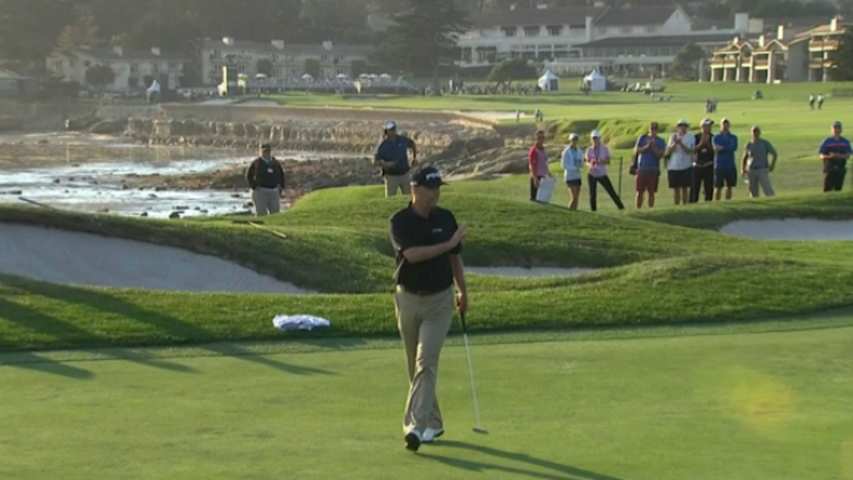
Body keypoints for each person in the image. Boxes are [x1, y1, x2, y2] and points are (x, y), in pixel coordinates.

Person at [389, 166, 467, 452]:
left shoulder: (446, 218)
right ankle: (434, 421)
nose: (436, 193)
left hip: (439, 301)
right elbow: (411, 255)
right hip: (407, 298)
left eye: (438, 188)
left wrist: (463, 291)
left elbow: (455, 260)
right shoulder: (400, 221)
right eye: (431, 188)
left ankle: (415, 427)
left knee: (426, 361)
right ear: (415, 189)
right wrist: (448, 243)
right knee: (415, 366)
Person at [375, 120, 417, 198]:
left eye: (393, 129)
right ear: (386, 131)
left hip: (405, 174)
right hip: (391, 176)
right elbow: (376, 160)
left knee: (409, 198)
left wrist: (414, 159)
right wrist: (385, 164)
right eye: (390, 130)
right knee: (390, 199)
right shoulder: (382, 144)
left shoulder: (402, 140)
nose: (392, 131)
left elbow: (412, 144)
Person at [586, 130, 625, 211]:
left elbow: (608, 161)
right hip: (592, 174)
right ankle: (593, 211)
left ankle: (621, 208)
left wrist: (600, 161)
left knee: (611, 191)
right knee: (592, 194)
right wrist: (590, 164)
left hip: (602, 174)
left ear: (600, 138)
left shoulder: (604, 149)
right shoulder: (589, 150)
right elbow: (586, 161)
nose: (595, 140)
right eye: (593, 138)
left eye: (596, 138)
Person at [245, 143, 285, 216]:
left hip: (274, 191)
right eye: (264, 151)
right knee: (261, 213)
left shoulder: (275, 163)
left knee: (275, 214)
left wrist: (281, 187)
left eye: (268, 151)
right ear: (260, 151)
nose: (266, 153)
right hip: (260, 191)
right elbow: (249, 175)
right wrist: (253, 186)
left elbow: (281, 175)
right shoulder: (256, 162)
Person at [634, 121, 666, 209]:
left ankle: (650, 209)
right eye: (652, 128)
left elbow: (661, 155)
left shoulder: (661, 141)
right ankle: (638, 208)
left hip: (653, 169)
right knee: (639, 191)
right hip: (642, 168)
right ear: (649, 129)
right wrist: (647, 146)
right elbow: (637, 150)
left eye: (655, 129)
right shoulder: (642, 138)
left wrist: (654, 147)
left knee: (651, 192)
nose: (653, 130)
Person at [741, 126, 778, 198]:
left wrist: (772, 165)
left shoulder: (764, 143)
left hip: (762, 169)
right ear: (751, 133)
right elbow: (744, 158)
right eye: (754, 131)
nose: (755, 133)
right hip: (751, 170)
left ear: (759, 133)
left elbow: (774, 154)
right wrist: (743, 169)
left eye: (757, 131)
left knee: (768, 190)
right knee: (753, 192)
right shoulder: (749, 144)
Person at [665, 119, 696, 206]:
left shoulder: (690, 137)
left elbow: (690, 151)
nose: (682, 128)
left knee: (685, 188)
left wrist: (681, 144)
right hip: (673, 166)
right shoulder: (673, 136)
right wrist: (675, 143)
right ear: (677, 127)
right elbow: (667, 152)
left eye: (684, 126)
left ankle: (685, 206)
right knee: (676, 188)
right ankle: (676, 206)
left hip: (686, 166)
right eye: (681, 126)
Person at [818, 120, 851, 192]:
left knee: (838, 189)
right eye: (835, 128)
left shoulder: (845, 142)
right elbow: (821, 155)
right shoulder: (827, 141)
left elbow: (848, 155)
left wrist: (839, 155)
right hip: (829, 168)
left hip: (841, 167)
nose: (837, 130)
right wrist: (829, 156)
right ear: (832, 129)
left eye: (838, 128)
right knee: (827, 189)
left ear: (841, 129)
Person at [713, 117, 738, 201]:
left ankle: (728, 201)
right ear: (721, 125)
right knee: (718, 187)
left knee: (729, 186)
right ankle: (717, 203)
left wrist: (722, 148)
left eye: (727, 125)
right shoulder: (716, 137)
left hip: (730, 165)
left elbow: (733, 148)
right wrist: (726, 147)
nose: (725, 126)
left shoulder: (733, 137)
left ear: (729, 126)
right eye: (723, 124)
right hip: (719, 165)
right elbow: (716, 148)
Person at [691, 118, 715, 203]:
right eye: (707, 126)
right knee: (694, 189)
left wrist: (707, 143)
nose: (709, 128)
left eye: (710, 126)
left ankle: (708, 205)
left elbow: (714, 151)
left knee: (708, 189)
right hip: (697, 166)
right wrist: (701, 143)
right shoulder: (696, 137)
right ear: (702, 126)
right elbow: (692, 150)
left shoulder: (713, 137)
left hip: (708, 165)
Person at [561, 133, 584, 210]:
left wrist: (580, 165)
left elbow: (582, 162)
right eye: (573, 139)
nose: (574, 141)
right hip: (570, 176)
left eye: (576, 139)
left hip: (577, 176)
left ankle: (575, 213)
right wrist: (574, 167)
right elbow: (563, 165)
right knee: (573, 198)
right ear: (570, 140)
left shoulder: (579, 151)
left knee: (577, 198)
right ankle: (569, 213)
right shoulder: (566, 152)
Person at [528, 130, 552, 202]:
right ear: (536, 138)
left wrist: (548, 172)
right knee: (535, 199)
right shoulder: (534, 150)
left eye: (542, 137)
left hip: (543, 176)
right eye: (539, 137)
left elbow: (545, 163)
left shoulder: (543, 149)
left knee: (542, 199)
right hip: (536, 176)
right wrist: (535, 178)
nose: (541, 139)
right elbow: (531, 165)